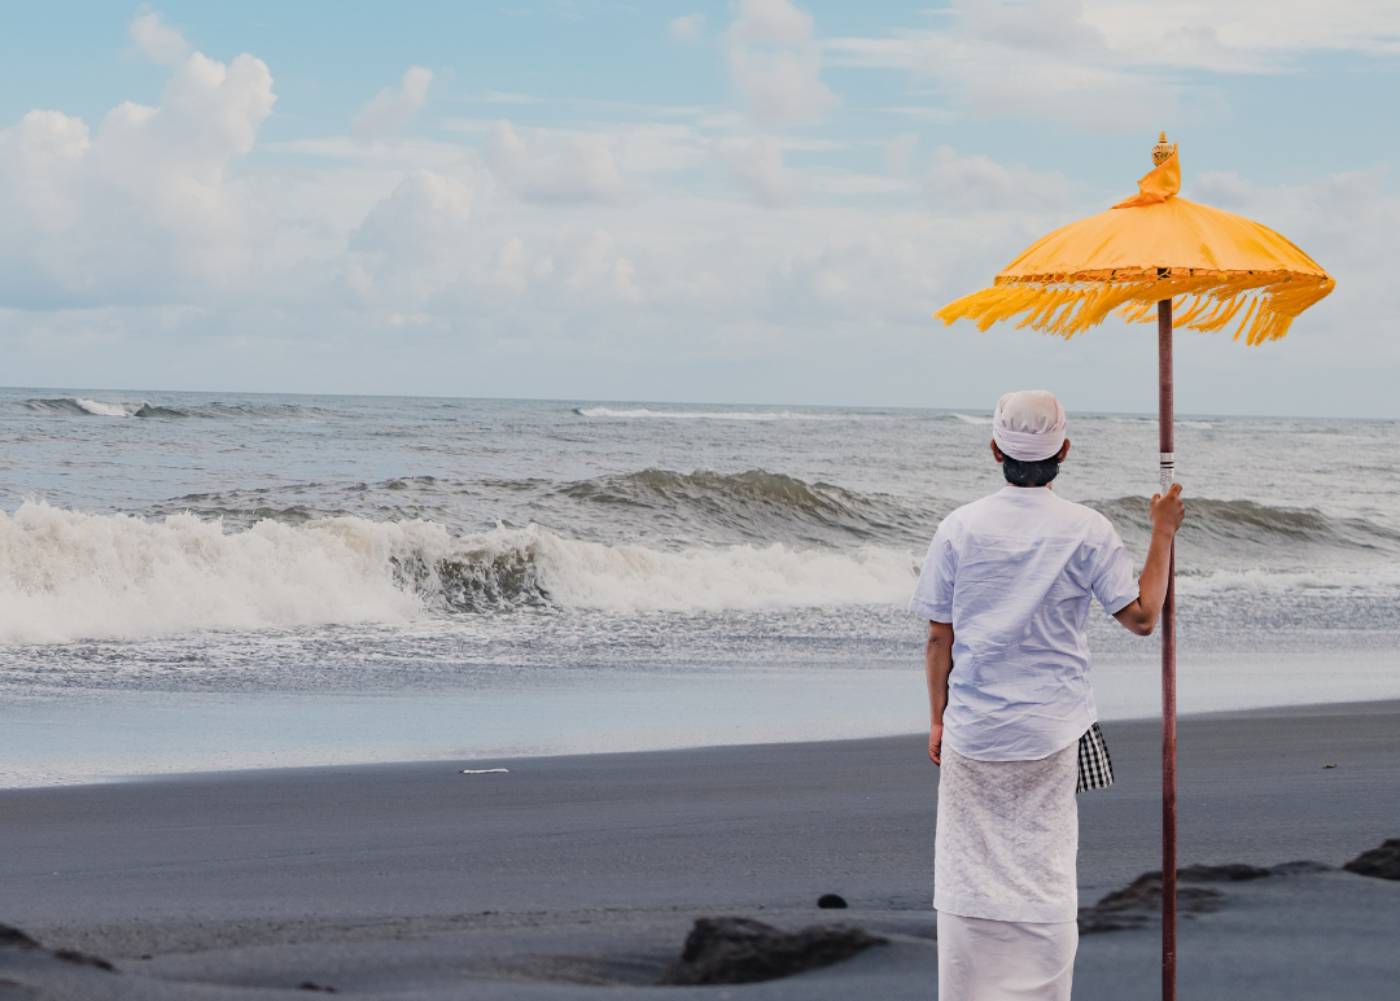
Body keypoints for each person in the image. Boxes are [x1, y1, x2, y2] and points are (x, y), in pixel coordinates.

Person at [909, 389, 1184, 1000]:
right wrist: (1161, 533)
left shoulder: (959, 527)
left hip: (974, 725)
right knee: (1044, 864)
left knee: (966, 865)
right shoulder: (1086, 528)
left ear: (994, 449)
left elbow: (937, 636)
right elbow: (1141, 618)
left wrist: (937, 719)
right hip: (1052, 726)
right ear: (1063, 450)